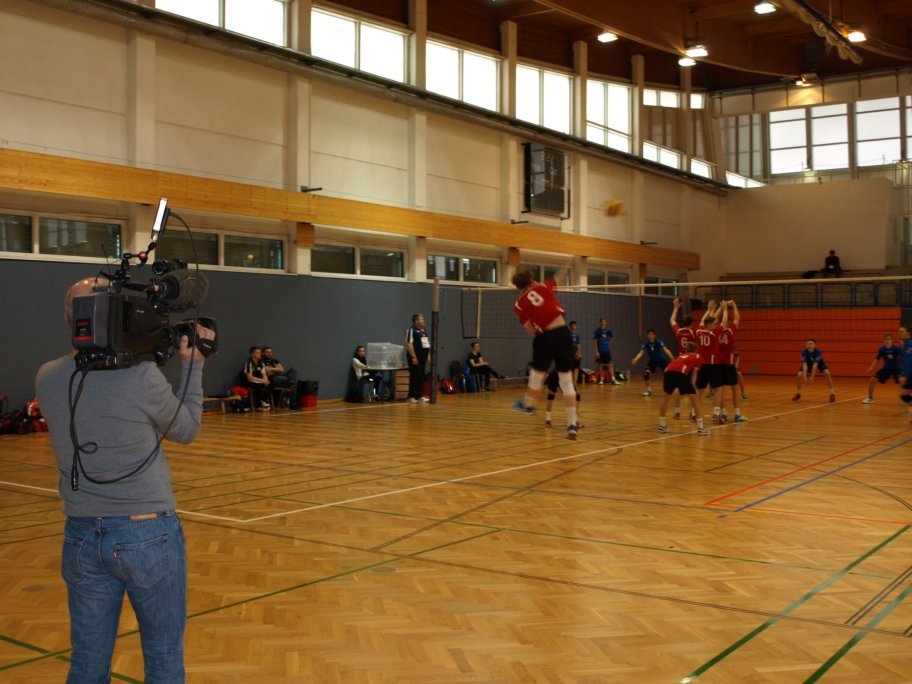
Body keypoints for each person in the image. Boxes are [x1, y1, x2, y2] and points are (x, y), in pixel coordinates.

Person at [35, 276, 215, 683]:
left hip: (81, 536)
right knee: (163, 655)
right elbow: (186, 429)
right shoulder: (141, 376)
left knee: (87, 661)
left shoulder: (47, 376)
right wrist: (193, 366)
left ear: (71, 320)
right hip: (146, 534)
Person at [511, 269, 580, 440]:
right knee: (566, 382)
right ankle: (572, 426)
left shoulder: (519, 304)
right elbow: (558, 278)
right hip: (563, 333)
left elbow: (530, 330)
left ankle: (529, 404)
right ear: (531, 279)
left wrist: (540, 335)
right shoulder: (543, 286)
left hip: (545, 336)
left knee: (537, 374)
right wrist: (567, 267)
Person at [658, 342, 710, 436]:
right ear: (696, 350)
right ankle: (701, 428)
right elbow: (694, 373)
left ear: (686, 350)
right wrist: (693, 386)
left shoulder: (682, 355)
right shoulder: (697, 356)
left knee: (665, 399)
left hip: (668, 372)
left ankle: (661, 426)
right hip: (680, 373)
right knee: (695, 399)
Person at [716, 301, 747, 422]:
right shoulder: (730, 331)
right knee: (734, 388)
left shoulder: (714, 332)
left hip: (718, 364)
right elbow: (737, 318)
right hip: (728, 365)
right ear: (727, 322)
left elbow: (714, 318)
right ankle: (737, 414)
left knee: (720, 390)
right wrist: (733, 305)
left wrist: (721, 308)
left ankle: (723, 414)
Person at [694, 302, 725, 422]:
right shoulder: (714, 333)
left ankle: (694, 414)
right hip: (712, 365)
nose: (716, 325)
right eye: (714, 324)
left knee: (700, 389)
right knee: (719, 388)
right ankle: (716, 414)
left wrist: (708, 310)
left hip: (701, 365)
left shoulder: (698, 332)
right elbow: (723, 322)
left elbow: (703, 321)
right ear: (710, 325)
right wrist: (723, 309)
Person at [670, 297, 697, 418]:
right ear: (691, 323)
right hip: (690, 361)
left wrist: (675, 308)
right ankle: (692, 412)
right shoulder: (693, 333)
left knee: (678, 387)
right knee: (692, 386)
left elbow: (672, 320)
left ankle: (677, 412)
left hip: (680, 361)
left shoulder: (678, 331)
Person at [630, 329, 674, 396]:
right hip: (652, 362)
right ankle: (649, 391)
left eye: (652, 334)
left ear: (655, 335)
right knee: (646, 373)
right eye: (649, 334)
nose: (651, 336)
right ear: (647, 335)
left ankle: (673, 389)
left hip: (662, 361)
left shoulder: (659, 342)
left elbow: (666, 349)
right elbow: (641, 353)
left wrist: (672, 357)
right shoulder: (646, 343)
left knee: (670, 375)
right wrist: (635, 359)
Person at [861, 334, 902, 404]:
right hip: (886, 369)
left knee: (903, 381)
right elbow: (877, 359)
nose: (887, 340)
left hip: (896, 368)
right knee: (872, 380)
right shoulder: (882, 349)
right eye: (885, 339)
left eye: (888, 339)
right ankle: (870, 398)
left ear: (891, 340)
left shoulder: (896, 348)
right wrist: (871, 367)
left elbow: (904, 356)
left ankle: (907, 397)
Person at [405, 313, 430, 403]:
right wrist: (413, 357)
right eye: (421, 319)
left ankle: (419, 396)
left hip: (423, 358)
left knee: (421, 376)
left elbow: (426, 344)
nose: (423, 320)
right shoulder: (411, 330)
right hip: (415, 357)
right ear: (416, 321)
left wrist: (428, 356)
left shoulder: (423, 330)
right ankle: (411, 397)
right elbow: (409, 344)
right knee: (414, 376)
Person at [592, 317, 619, 384]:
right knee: (600, 364)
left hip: (607, 350)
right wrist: (596, 352)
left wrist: (607, 343)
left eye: (604, 322)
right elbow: (595, 341)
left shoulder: (608, 330)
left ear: (606, 323)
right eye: (602, 322)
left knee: (610, 364)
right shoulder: (597, 331)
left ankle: (613, 379)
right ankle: (601, 379)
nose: (603, 323)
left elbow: (612, 337)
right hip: (600, 350)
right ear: (600, 322)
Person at [243, 346, 270, 410]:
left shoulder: (261, 363)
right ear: (252, 354)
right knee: (258, 386)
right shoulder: (248, 362)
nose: (259, 354)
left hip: (259, 380)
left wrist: (266, 380)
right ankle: (258, 405)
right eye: (257, 353)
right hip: (249, 381)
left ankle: (263, 400)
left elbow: (263, 373)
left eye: (260, 353)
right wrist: (262, 380)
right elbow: (249, 378)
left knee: (271, 383)